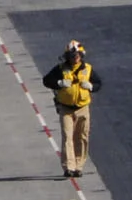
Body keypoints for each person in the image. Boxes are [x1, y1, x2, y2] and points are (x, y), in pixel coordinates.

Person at [41, 41, 102, 178]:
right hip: (66, 109)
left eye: (77, 55)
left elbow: (99, 83)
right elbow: (46, 80)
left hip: (83, 108)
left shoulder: (88, 69)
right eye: (72, 55)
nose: (75, 57)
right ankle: (69, 167)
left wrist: (91, 87)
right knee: (67, 137)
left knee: (82, 137)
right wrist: (59, 83)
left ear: (81, 55)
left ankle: (79, 166)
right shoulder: (61, 69)